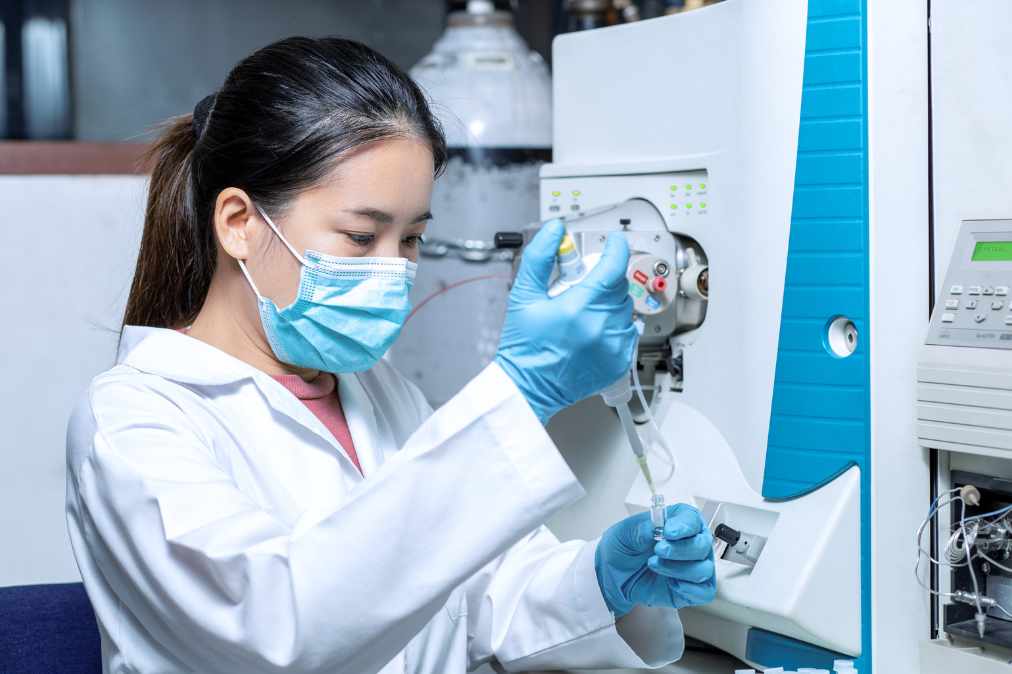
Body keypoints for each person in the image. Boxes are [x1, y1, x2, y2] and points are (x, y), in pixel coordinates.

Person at [65, 36, 715, 674]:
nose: (392, 271)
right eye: (360, 235)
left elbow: (477, 597)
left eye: (411, 239)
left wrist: (602, 583)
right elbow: (281, 630)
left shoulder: (379, 392)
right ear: (240, 222)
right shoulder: (134, 421)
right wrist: (523, 393)